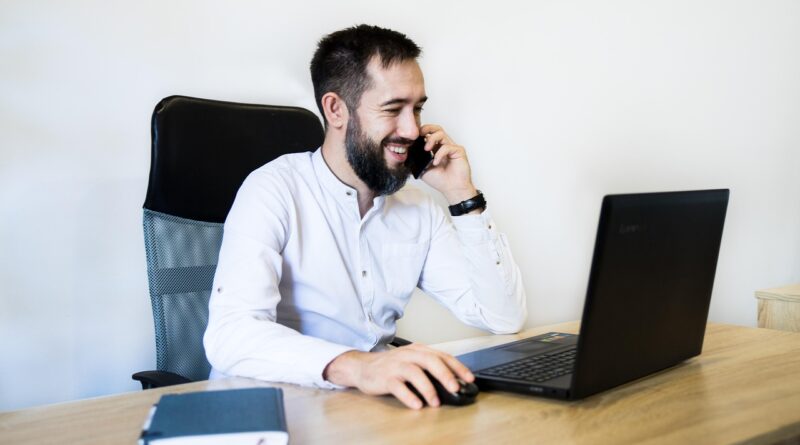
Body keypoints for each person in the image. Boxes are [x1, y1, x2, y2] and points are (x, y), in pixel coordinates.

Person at [203, 24, 527, 410]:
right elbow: (230, 335)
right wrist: (359, 368)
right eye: (393, 109)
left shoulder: (418, 207)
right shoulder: (272, 190)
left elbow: (502, 317)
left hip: (370, 408)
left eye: (418, 108)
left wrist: (462, 196)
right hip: (273, 409)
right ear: (336, 109)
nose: (411, 129)